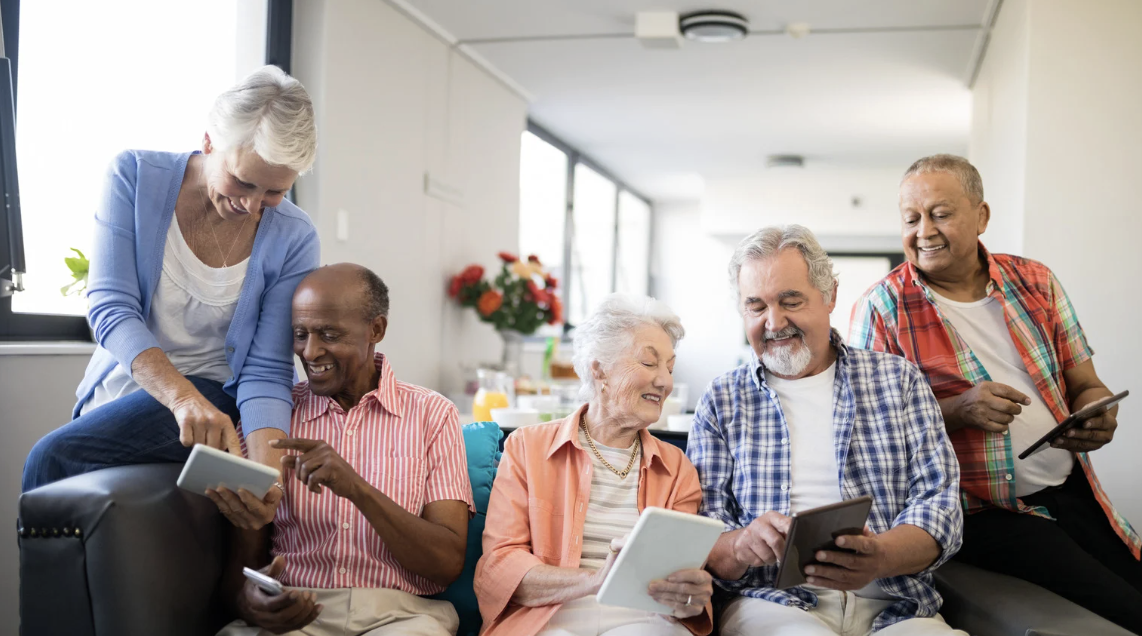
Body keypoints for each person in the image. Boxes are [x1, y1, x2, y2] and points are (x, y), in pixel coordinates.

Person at [849, 154, 1142, 632]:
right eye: (911, 218)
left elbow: (1085, 382)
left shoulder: (1036, 281)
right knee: (1124, 611)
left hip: (1071, 492)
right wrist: (957, 410)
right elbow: (870, 437)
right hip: (980, 514)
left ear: (981, 216)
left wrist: (1094, 411)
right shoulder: (881, 309)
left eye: (940, 214)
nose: (924, 230)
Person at [22, 65, 320, 529]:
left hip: (215, 402)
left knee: (51, 457)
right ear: (208, 142)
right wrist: (181, 399)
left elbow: (265, 369)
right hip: (146, 395)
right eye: (243, 182)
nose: (253, 206)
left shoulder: (295, 237)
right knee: (59, 470)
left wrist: (268, 479)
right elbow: (110, 306)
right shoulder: (135, 175)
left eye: (275, 191)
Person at [688, 225, 964, 636]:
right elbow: (701, 535)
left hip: (897, 606)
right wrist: (742, 543)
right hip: (773, 605)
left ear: (830, 295)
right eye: (756, 306)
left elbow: (941, 510)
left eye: (790, 300)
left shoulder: (898, 381)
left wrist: (880, 556)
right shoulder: (723, 399)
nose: (773, 321)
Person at [217, 263, 474, 636]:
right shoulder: (270, 416)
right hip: (297, 611)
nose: (310, 351)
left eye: (329, 334)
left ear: (376, 330)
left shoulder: (432, 414)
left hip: (400, 616)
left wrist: (357, 489)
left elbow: (446, 562)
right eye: (300, 334)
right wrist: (250, 603)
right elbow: (241, 567)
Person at [475, 293, 714, 636]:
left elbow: (682, 589)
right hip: (548, 620)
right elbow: (500, 568)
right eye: (649, 363)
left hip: (645, 622)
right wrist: (596, 580)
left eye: (670, 367)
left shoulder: (677, 468)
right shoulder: (528, 447)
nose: (665, 381)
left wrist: (690, 597)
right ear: (599, 370)